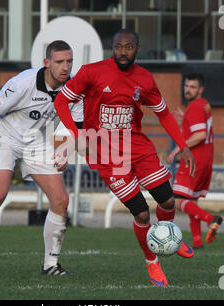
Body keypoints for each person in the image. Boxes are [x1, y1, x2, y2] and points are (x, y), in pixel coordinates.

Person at [54, 29, 196, 287]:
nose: (122, 51)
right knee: (142, 214)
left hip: (138, 147)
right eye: (118, 46)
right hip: (106, 154)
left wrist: (183, 145)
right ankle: (152, 261)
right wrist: (77, 135)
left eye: (128, 47)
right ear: (113, 48)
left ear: (137, 49)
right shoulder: (91, 72)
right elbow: (61, 102)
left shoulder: (144, 78)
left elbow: (163, 113)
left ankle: (168, 235)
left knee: (168, 200)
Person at [0, 40, 83, 276]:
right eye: (59, 61)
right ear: (46, 63)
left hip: (38, 142)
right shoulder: (23, 82)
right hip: (6, 137)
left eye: (69, 61)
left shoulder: (74, 88)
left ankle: (50, 265)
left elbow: (75, 126)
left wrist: (66, 151)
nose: (65, 67)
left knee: (61, 200)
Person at [167, 73, 222, 249]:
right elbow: (199, 128)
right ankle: (197, 242)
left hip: (193, 160)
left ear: (201, 89)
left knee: (177, 201)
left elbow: (200, 134)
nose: (187, 90)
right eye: (186, 86)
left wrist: (178, 148)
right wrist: (185, 119)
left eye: (192, 87)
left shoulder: (195, 107)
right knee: (191, 202)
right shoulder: (204, 104)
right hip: (206, 160)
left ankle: (211, 219)